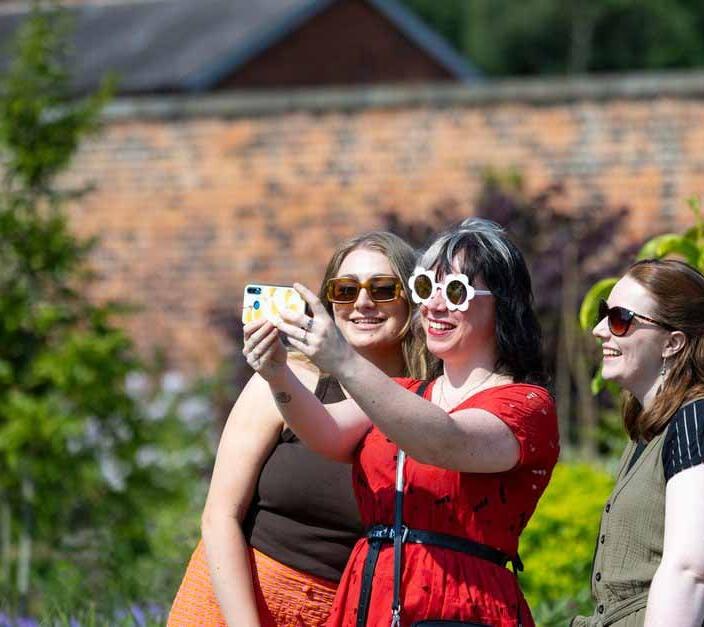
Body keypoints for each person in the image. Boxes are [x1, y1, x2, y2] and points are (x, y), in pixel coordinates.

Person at [242, 218, 559, 626]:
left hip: (461, 606)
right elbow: (326, 434)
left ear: (503, 304)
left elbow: (444, 441)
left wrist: (342, 359)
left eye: (456, 292)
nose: (435, 305)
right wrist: (277, 373)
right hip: (373, 599)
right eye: (426, 288)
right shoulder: (407, 392)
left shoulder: (527, 405)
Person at [168, 231, 428, 626]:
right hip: (233, 604)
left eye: (382, 288)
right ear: (328, 303)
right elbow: (219, 516)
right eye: (345, 289)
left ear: (411, 298)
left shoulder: (427, 404)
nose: (362, 302)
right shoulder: (289, 380)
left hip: (341, 613)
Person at [573, 258, 704, 627]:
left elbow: (689, 571)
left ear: (673, 342)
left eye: (620, 319)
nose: (599, 330)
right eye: (602, 314)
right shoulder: (654, 431)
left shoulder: (700, 421)